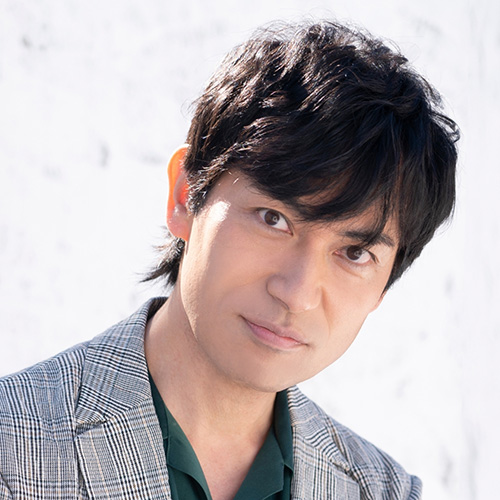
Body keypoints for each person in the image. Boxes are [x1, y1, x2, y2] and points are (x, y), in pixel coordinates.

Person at [0, 20, 458, 499]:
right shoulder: (15, 446)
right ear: (185, 196)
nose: (298, 293)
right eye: (273, 219)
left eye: (354, 253)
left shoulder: (382, 491)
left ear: (386, 282)